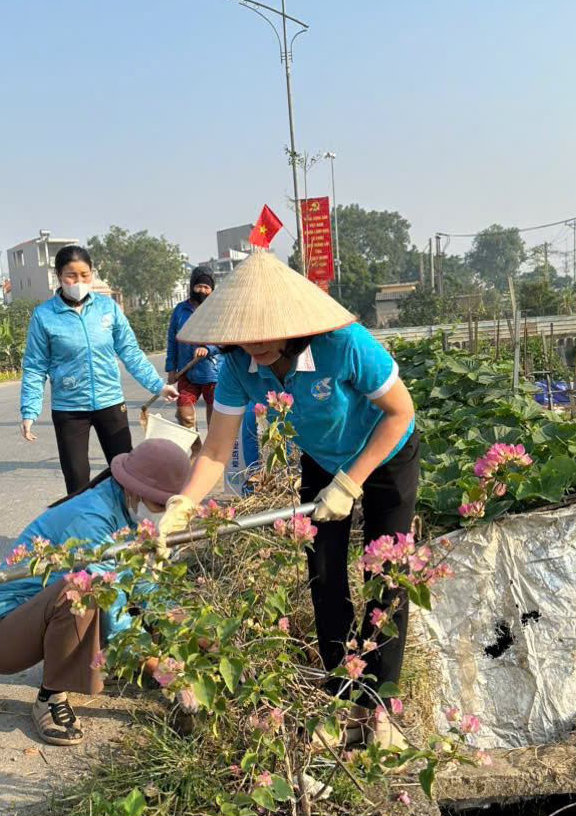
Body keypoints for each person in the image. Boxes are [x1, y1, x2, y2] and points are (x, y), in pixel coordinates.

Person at [155, 250, 418, 750]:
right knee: (323, 574)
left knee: (388, 574)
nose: (250, 344)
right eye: (241, 332)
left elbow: (400, 411)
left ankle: (380, 709)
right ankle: (343, 699)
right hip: (321, 457)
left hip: (386, 452)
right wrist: (183, 504)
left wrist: (352, 481)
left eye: (261, 332)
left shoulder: (345, 345)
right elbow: (216, 448)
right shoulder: (236, 365)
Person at [0, 439, 192, 746]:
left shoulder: (126, 514)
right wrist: (158, 667)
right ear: (133, 489)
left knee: (143, 588)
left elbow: (144, 587)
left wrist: (197, 634)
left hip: (35, 620)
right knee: (83, 591)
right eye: (159, 505)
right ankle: (50, 697)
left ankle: (105, 662)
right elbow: (110, 603)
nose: (161, 515)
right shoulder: (92, 519)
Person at [19, 244, 178, 493]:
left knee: (125, 474)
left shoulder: (108, 308)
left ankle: (126, 528)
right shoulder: (44, 316)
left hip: (110, 404)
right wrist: (29, 411)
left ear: (92, 274)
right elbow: (34, 367)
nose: (78, 281)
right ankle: (83, 531)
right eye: (71, 275)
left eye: (85, 275)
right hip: (69, 410)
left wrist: (158, 385)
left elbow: (130, 351)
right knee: (77, 478)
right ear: (59, 276)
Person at [165, 266, 222, 433]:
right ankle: (195, 448)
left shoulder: (218, 310)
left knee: (215, 422)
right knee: (184, 414)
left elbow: (227, 341)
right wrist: (171, 368)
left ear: (212, 289)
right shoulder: (180, 310)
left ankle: (211, 453)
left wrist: (209, 349)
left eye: (206, 287)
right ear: (192, 286)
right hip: (187, 372)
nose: (202, 290)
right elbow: (172, 340)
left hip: (214, 375)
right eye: (199, 286)